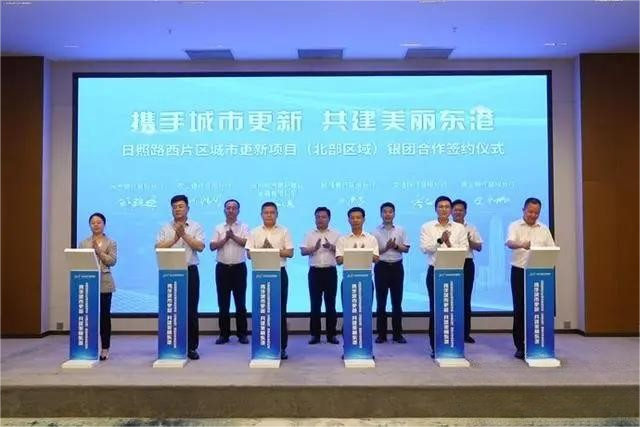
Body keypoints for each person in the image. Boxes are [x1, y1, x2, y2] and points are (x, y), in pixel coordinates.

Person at [155, 195, 205, 360]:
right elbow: (158, 247)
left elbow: (200, 246)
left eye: (181, 206)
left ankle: (191, 347)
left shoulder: (196, 226)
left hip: (190, 271)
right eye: (174, 206)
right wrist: (174, 238)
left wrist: (184, 235)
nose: (177, 209)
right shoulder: (165, 227)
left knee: (191, 310)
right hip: (170, 272)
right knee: (171, 310)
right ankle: (171, 344)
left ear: (188, 208)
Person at [505, 197, 555, 360]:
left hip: (539, 273)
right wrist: (522, 245)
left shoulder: (544, 229)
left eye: (536, 213)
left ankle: (538, 342)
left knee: (538, 308)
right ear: (524, 210)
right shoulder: (515, 225)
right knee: (520, 308)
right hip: (519, 271)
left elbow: (552, 248)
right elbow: (509, 242)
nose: (533, 215)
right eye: (530, 212)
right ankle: (520, 345)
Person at [419, 196, 469, 358]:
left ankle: (454, 345)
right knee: (436, 310)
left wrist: (448, 244)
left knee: (455, 309)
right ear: (435, 209)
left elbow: (464, 249)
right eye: (440, 207)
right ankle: (436, 346)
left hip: (455, 272)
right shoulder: (427, 227)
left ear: (451, 210)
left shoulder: (459, 228)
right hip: (435, 271)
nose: (444, 209)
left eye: (447, 207)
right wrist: (441, 240)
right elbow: (425, 248)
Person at [245, 202, 294, 360]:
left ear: (277, 214)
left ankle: (281, 347)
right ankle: (261, 345)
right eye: (266, 212)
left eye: (272, 212)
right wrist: (263, 251)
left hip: (279, 273)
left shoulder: (284, 231)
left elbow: (290, 252)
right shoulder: (254, 232)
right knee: (261, 311)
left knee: (280, 311)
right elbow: (249, 254)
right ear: (261, 215)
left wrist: (272, 250)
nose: (269, 215)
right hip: (260, 275)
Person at [209, 199, 250, 345]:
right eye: (228, 208)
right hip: (222, 269)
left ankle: (242, 334)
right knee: (223, 303)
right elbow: (212, 246)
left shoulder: (244, 227)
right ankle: (224, 334)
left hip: (239, 269)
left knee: (240, 303)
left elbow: (247, 243)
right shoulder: (218, 227)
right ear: (224, 210)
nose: (231, 210)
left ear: (238, 211)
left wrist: (233, 236)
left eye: (234, 208)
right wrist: (226, 238)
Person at [79, 212, 117, 361]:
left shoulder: (111, 242)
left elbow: (112, 261)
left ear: (104, 224)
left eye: (99, 222)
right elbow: (80, 261)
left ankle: (105, 348)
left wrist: (99, 251)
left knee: (104, 317)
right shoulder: (83, 243)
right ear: (90, 225)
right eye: (93, 222)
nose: (96, 225)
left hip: (104, 283)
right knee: (88, 316)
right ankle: (88, 347)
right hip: (88, 283)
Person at [300, 207, 340, 345]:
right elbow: (303, 251)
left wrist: (331, 247)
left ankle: (331, 335)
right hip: (315, 272)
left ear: (329, 218)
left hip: (330, 272)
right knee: (315, 304)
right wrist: (314, 248)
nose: (320, 219)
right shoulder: (309, 233)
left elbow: (342, 252)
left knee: (331, 305)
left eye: (323, 217)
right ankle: (315, 335)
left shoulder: (336, 234)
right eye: (318, 217)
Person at [372, 202, 410, 344]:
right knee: (381, 303)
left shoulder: (401, 230)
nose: (387, 214)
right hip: (381, 267)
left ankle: (397, 334)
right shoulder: (374, 232)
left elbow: (406, 249)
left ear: (394, 214)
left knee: (397, 303)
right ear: (381, 214)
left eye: (390, 212)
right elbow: (373, 253)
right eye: (385, 212)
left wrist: (395, 246)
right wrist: (386, 247)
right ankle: (381, 335)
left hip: (397, 267)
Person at [451, 199, 483, 344]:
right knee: (450, 299)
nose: (458, 212)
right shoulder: (447, 227)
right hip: (450, 263)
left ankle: (465, 333)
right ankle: (451, 331)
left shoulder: (471, 227)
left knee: (465, 299)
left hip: (467, 263)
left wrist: (468, 241)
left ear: (465, 212)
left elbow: (479, 247)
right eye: (455, 210)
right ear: (451, 211)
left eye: (461, 210)